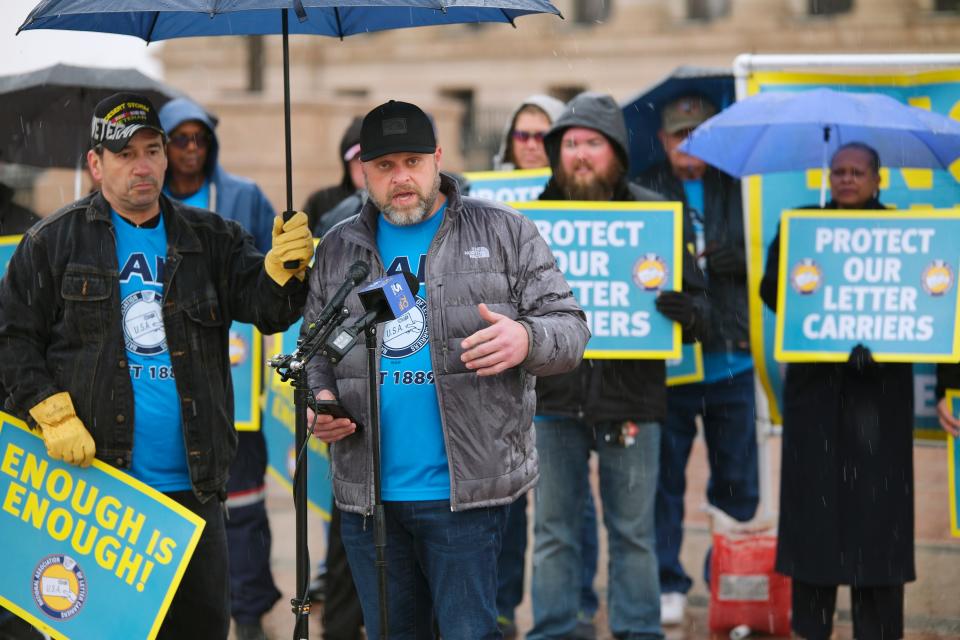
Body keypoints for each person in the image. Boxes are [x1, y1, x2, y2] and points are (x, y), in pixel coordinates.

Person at [0, 92, 312, 640]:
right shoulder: (52, 242)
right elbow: (12, 337)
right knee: (105, 632)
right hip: (97, 492)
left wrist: (284, 270)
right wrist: (47, 408)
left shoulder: (211, 237)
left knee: (198, 631)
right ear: (96, 165)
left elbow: (265, 309)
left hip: (194, 490)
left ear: (167, 158)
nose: (141, 166)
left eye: (151, 150)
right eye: (124, 155)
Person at [305, 99, 590, 639]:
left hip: (466, 498)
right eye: (385, 166)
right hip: (370, 501)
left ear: (438, 157)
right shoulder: (340, 247)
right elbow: (316, 350)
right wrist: (319, 403)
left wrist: (525, 338)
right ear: (362, 171)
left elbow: (571, 329)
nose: (401, 178)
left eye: (413, 161)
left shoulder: (505, 231)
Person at [528, 91, 708, 640]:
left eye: (593, 144)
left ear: (617, 155)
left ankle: (638, 630)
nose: (580, 155)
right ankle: (555, 629)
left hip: (632, 400)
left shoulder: (656, 216)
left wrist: (688, 308)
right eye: (571, 144)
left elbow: (706, 312)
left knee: (633, 530)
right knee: (554, 531)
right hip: (554, 400)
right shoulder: (530, 219)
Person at [759, 142, 913, 640]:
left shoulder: (903, 233)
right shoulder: (802, 224)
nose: (846, 180)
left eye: (857, 172)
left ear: (877, 180)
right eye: (838, 172)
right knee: (815, 516)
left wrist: (882, 346)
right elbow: (770, 291)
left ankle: (879, 629)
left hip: (881, 396)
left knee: (879, 520)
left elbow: (925, 308)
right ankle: (811, 626)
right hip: (816, 395)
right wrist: (792, 252)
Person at [158, 97, 283, 640]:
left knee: (245, 499)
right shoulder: (139, 205)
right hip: (163, 386)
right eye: (179, 139)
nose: (190, 150)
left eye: (199, 139)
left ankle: (251, 609)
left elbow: (263, 285)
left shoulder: (242, 197)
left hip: (235, 379)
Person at [634, 94, 758, 626]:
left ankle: (730, 576)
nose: (690, 144)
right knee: (666, 479)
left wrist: (744, 257)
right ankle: (668, 580)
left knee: (737, 480)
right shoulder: (644, 188)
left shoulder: (740, 187)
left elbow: (779, 258)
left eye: (700, 134)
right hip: (674, 361)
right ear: (664, 140)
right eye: (681, 134)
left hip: (732, 355)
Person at [490, 93, 601, 639]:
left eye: (542, 136)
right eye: (522, 135)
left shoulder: (581, 196)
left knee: (569, 503)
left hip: (561, 372)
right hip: (507, 376)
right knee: (508, 500)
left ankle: (579, 600)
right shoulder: (488, 202)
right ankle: (504, 602)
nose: (531, 145)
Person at [302, 116, 365, 234]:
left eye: (372, 159)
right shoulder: (320, 201)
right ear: (347, 164)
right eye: (357, 157)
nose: (364, 165)